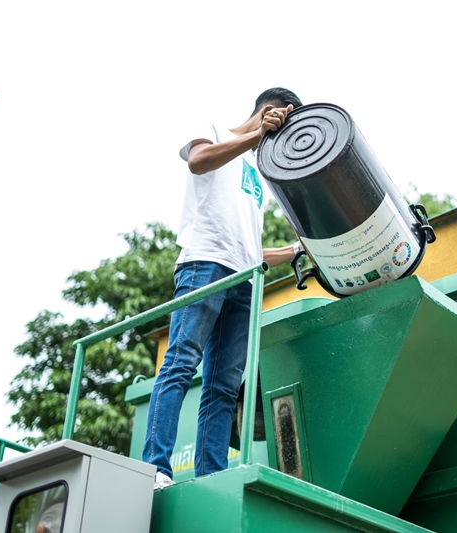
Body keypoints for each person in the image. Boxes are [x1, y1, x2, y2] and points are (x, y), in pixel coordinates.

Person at [144, 88, 303, 490]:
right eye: (284, 124)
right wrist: (254, 137)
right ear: (270, 112)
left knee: (224, 388)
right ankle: (156, 468)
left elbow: (250, 247)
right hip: (204, 264)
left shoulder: (256, 173)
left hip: (244, 280)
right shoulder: (213, 128)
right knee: (181, 362)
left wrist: (298, 250)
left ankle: (210, 476)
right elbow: (197, 162)